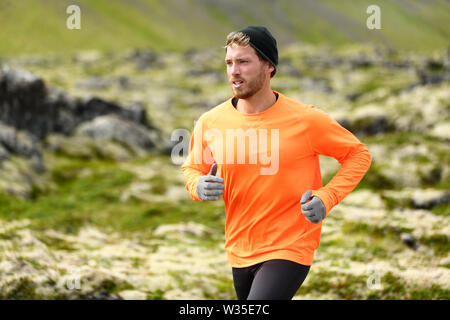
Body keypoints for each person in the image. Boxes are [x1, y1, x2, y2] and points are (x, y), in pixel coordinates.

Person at [181, 26, 372, 300]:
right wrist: (197, 185)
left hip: (290, 246)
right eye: (229, 63)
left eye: (244, 62)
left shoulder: (305, 120)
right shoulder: (211, 121)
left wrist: (327, 197)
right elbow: (191, 168)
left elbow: (358, 154)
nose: (234, 71)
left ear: (269, 66)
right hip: (239, 248)